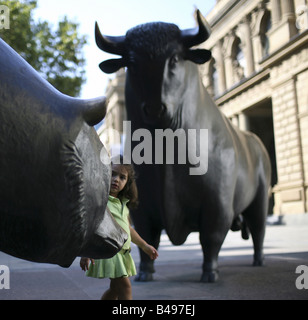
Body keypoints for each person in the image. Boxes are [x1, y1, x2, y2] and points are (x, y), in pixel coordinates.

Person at [80, 156, 158, 300]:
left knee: (115, 290)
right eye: (113, 173)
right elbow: (91, 227)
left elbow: (128, 230)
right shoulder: (101, 201)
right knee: (125, 288)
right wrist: (86, 252)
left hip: (122, 254)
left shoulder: (122, 203)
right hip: (110, 252)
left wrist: (144, 245)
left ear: (127, 182)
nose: (116, 179)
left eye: (122, 177)